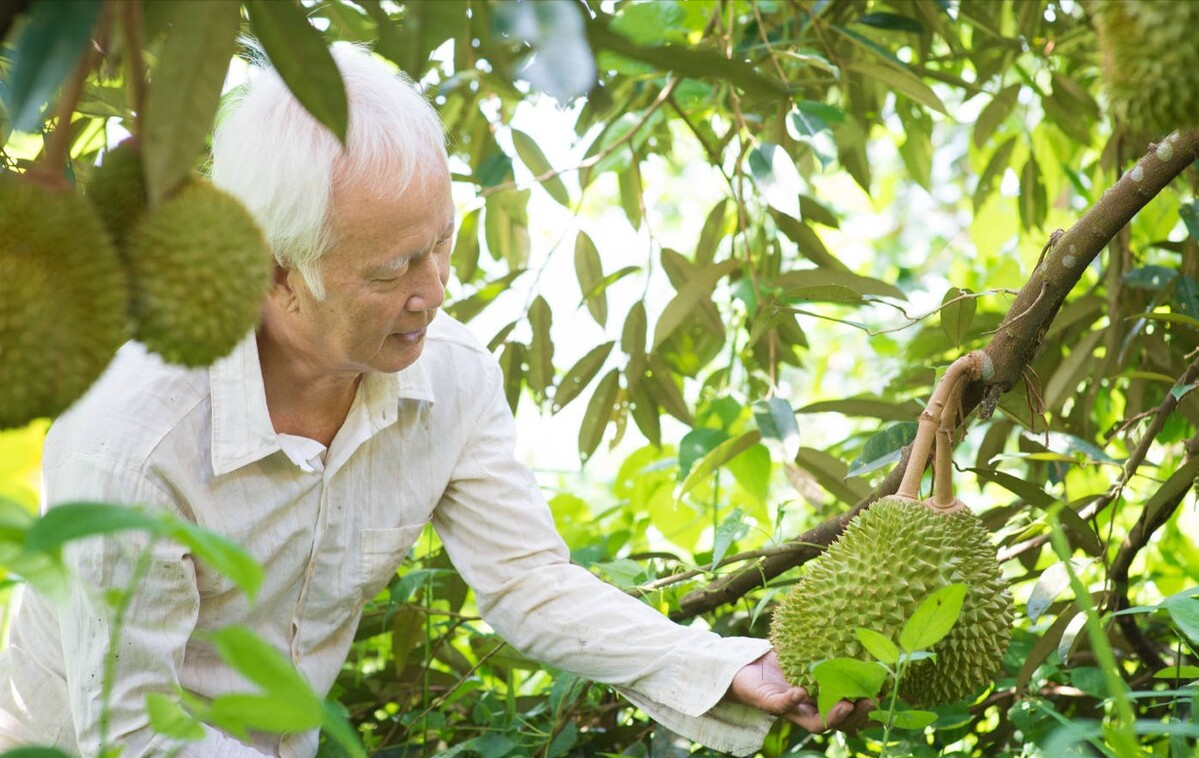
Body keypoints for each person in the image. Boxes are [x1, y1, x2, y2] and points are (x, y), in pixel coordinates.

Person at [0, 46, 870, 757]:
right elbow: (131, 733)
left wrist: (719, 665)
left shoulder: (448, 380)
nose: (435, 292)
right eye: (391, 271)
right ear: (273, 273)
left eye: (440, 247)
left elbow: (527, 581)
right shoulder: (134, 438)